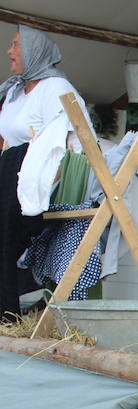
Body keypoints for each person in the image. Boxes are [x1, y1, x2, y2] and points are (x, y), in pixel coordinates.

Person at [0, 25, 86, 319]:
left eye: (16, 45)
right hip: (10, 170)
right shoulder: (13, 91)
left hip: (41, 177)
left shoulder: (56, 88)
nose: (9, 51)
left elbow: (68, 142)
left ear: (34, 51)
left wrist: (45, 180)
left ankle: (6, 309)